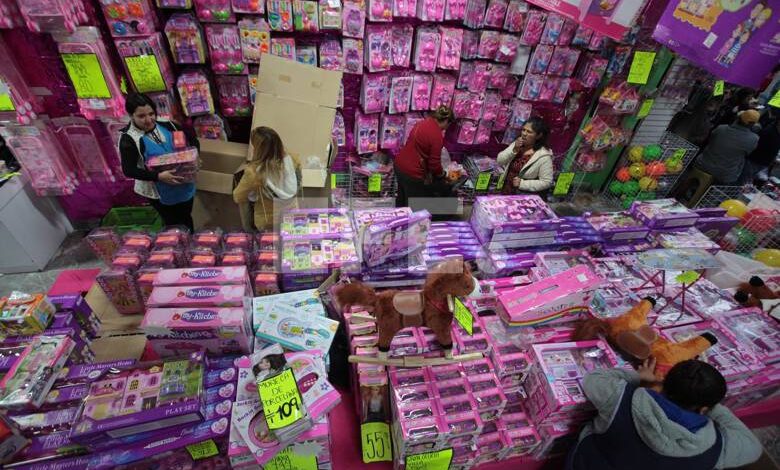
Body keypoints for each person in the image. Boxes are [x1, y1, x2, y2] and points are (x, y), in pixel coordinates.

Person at [566, 359, 762, 470]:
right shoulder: (717, 447)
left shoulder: (622, 398)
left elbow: (593, 379)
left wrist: (640, 377)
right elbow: (754, 448)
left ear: (663, 383)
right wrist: (709, 402)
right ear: (704, 409)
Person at [119, 93, 199, 231]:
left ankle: (190, 240)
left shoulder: (168, 125)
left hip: (183, 183)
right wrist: (158, 176)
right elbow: (129, 170)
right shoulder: (129, 139)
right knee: (173, 224)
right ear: (131, 116)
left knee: (186, 218)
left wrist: (196, 157)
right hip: (158, 190)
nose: (148, 120)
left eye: (151, 114)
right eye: (141, 116)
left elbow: (193, 141)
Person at [233, 126, 299, 231]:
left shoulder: (254, 172)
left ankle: (249, 232)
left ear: (258, 149)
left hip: (268, 223)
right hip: (292, 217)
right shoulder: (293, 159)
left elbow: (238, 196)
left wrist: (253, 194)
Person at [394, 106, 456, 211]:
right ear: (446, 121)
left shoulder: (421, 123)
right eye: (448, 125)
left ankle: (399, 217)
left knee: (402, 198)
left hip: (399, 165)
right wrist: (443, 175)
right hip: (413, 173)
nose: (446, 128)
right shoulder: (436, 135)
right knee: (414, 206)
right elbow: (434, 165)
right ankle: (412, 220)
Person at [695, 109, 760, 184]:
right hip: (725, 175)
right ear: (752, 125)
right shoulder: (754, 139)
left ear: (738, 118)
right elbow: (748, 153)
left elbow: (710, 140)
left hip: (702, 164)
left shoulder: (721, 128)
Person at [497, 116, 554, 195]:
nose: (524, 134)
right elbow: (500, 161)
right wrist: (514, 150)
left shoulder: (543, 156)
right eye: (523, 130)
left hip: (522, 196)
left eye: (529, 132)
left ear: (539, 135)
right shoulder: (517, 144)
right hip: (506, 189)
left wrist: (523, 184)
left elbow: (547, 182)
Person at [744, 117, 780, 183]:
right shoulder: (768, 131)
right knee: (745, 180)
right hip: (755, 161)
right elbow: (757, 146)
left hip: (764, 163)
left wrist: (773, 158)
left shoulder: (776, 132)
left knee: (753, 181)